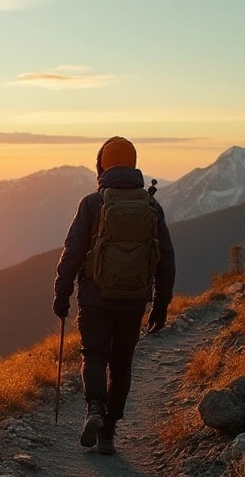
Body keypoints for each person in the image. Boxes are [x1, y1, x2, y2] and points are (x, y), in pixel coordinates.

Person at [52, 136, 175, 455]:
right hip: (134, 297)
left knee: (94, 354)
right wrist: (161, 304)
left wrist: (62, 294)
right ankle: (108, 433)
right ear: (133, 164)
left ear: (102, 165)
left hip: (95, 295)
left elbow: (73, 252)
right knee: (122, 363)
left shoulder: (93, 203)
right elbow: (166, 257)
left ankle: (94, 407)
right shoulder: (151, 205)